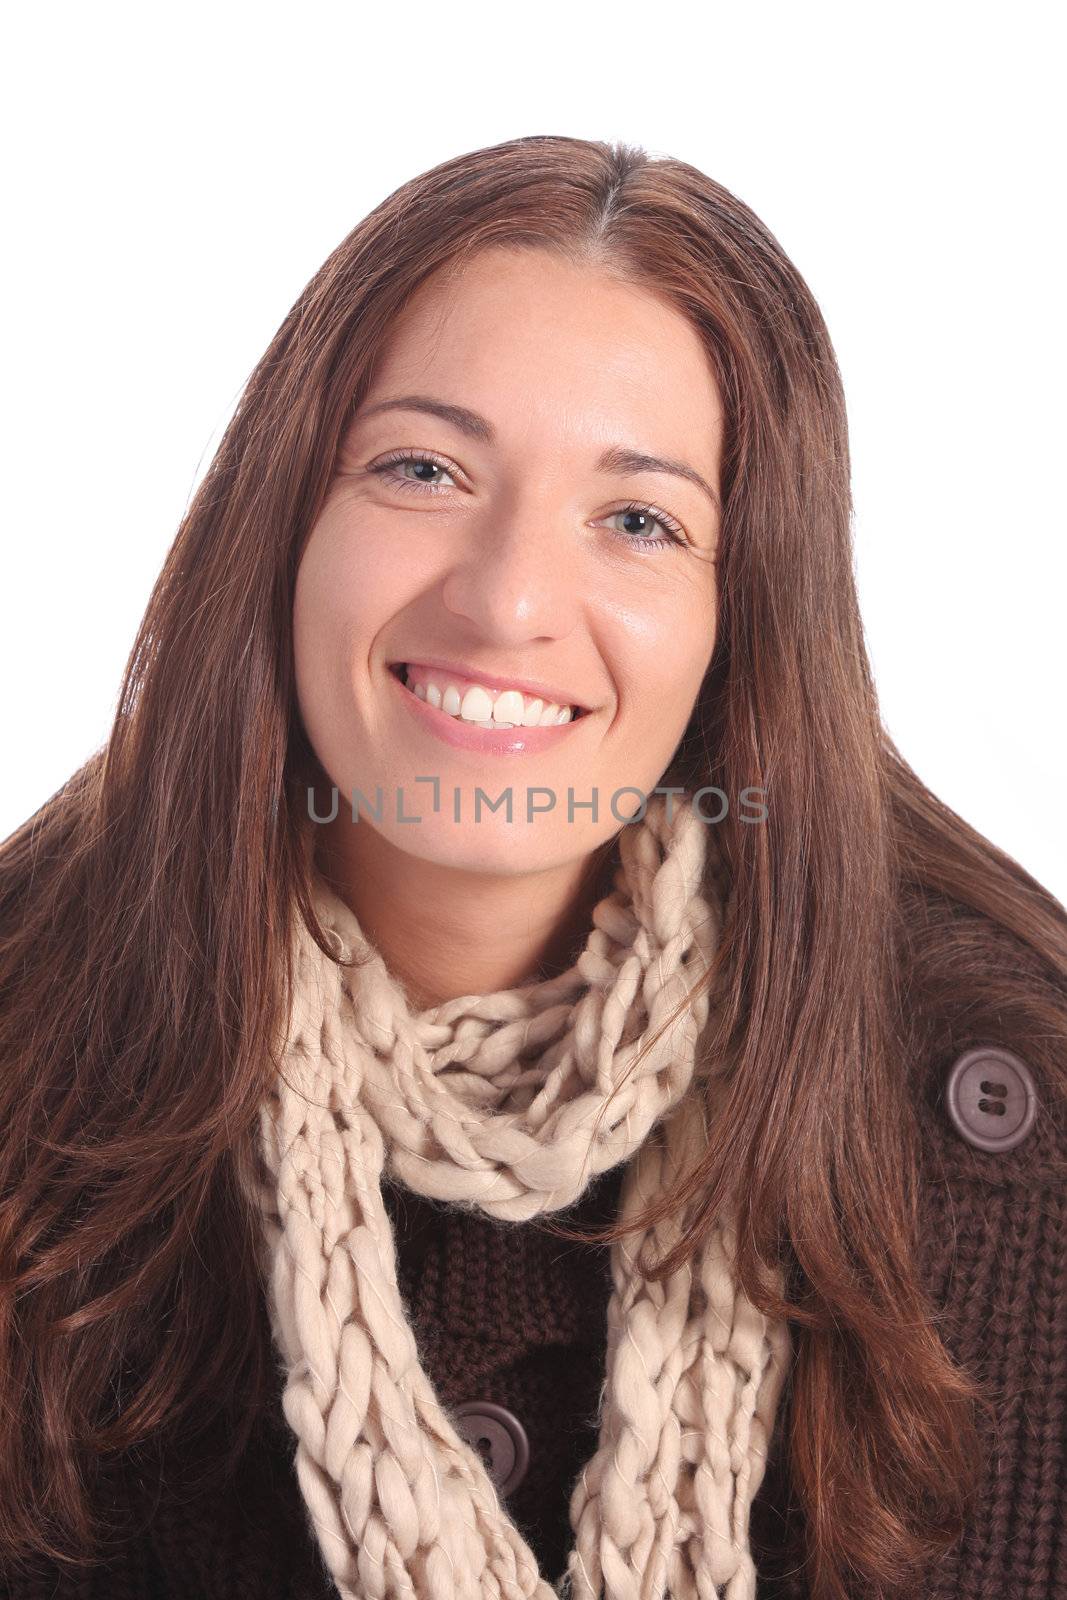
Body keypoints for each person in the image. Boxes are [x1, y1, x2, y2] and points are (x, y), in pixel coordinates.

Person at [0, 134, 1064, 1600]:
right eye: (423, 469)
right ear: (285, 525)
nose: (505, 600)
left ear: (736, 618)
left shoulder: (1007, 1123)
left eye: (639, 520)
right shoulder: (29, 1030)